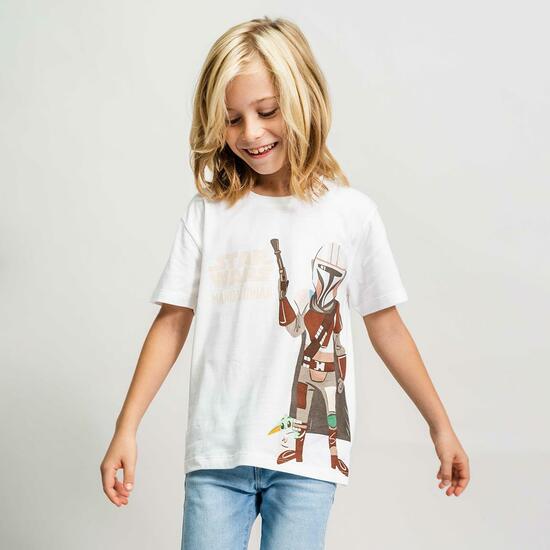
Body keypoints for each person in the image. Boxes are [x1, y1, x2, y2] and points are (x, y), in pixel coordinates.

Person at [100, 16, 470, 550]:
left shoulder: (351, 214)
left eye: (267, 111)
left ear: (304, 100)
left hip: (308, 459)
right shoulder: (208, 214)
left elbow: (387, 326)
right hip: (217, 457)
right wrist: (127, 426)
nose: (251, 132)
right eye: (232, 119)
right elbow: (172, 322)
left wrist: (440, 426)